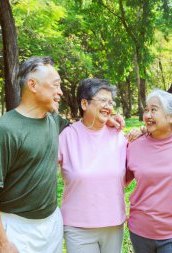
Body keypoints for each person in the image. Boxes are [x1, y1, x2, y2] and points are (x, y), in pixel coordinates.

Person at [0, 56, 68, 253]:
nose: (60, 92)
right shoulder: (5, 130)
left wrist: (107, 120)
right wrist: (1, 242)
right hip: (18, 229)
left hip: (52, 222)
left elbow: (82, 130)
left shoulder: (52, 119)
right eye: (55, 85)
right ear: (33, 85)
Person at [58, 78, 130, 253]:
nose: (109, 106)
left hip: (113, 225)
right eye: (103, 100)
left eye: (111, 102)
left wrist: (141, 131)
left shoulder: (118, 135)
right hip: (78, 227)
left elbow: (130, 172)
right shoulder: (68, 136)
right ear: (84, 103)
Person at [126, 90, 172, 253]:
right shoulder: (134, 145)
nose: (148, 115)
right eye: (146, 110)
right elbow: (120, 179)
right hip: (140, 230)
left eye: (154, 110)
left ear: (171, 116)